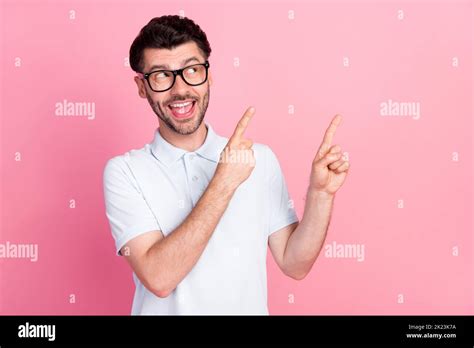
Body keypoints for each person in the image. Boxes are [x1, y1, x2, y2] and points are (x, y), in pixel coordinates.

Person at [103, 15, 350, 315]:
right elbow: (159, 277)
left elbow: (294, 263)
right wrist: (224, 181)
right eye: (161, 75)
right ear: (142, 87)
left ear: (208, 76)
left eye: (192, 70)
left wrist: (321, 195)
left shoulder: (258, 159)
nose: (180, 89)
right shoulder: (125, 172)